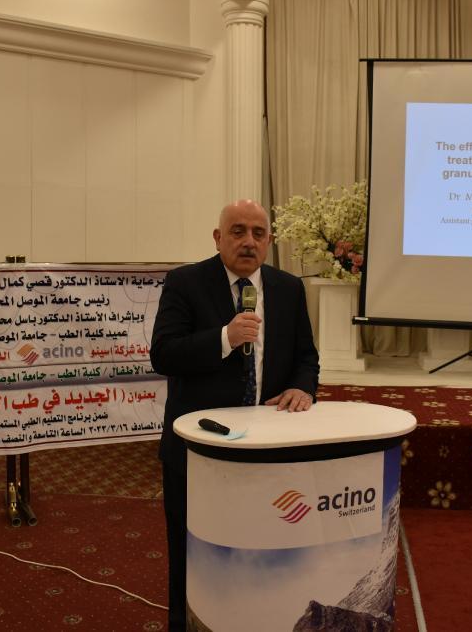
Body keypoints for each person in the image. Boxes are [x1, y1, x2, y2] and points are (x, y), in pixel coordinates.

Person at [149, 199, 320, 631]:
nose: (248, 242)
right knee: (192, 555)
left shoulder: (288, 288)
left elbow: (306, 357)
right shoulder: (185, 282)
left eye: (258, 234)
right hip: (199, 453)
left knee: (263, 556)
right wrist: (224, 337)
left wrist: (303, 386)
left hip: (268, 451)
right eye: (238, 231)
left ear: (269, 241)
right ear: (218, 238)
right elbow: (163, 355)